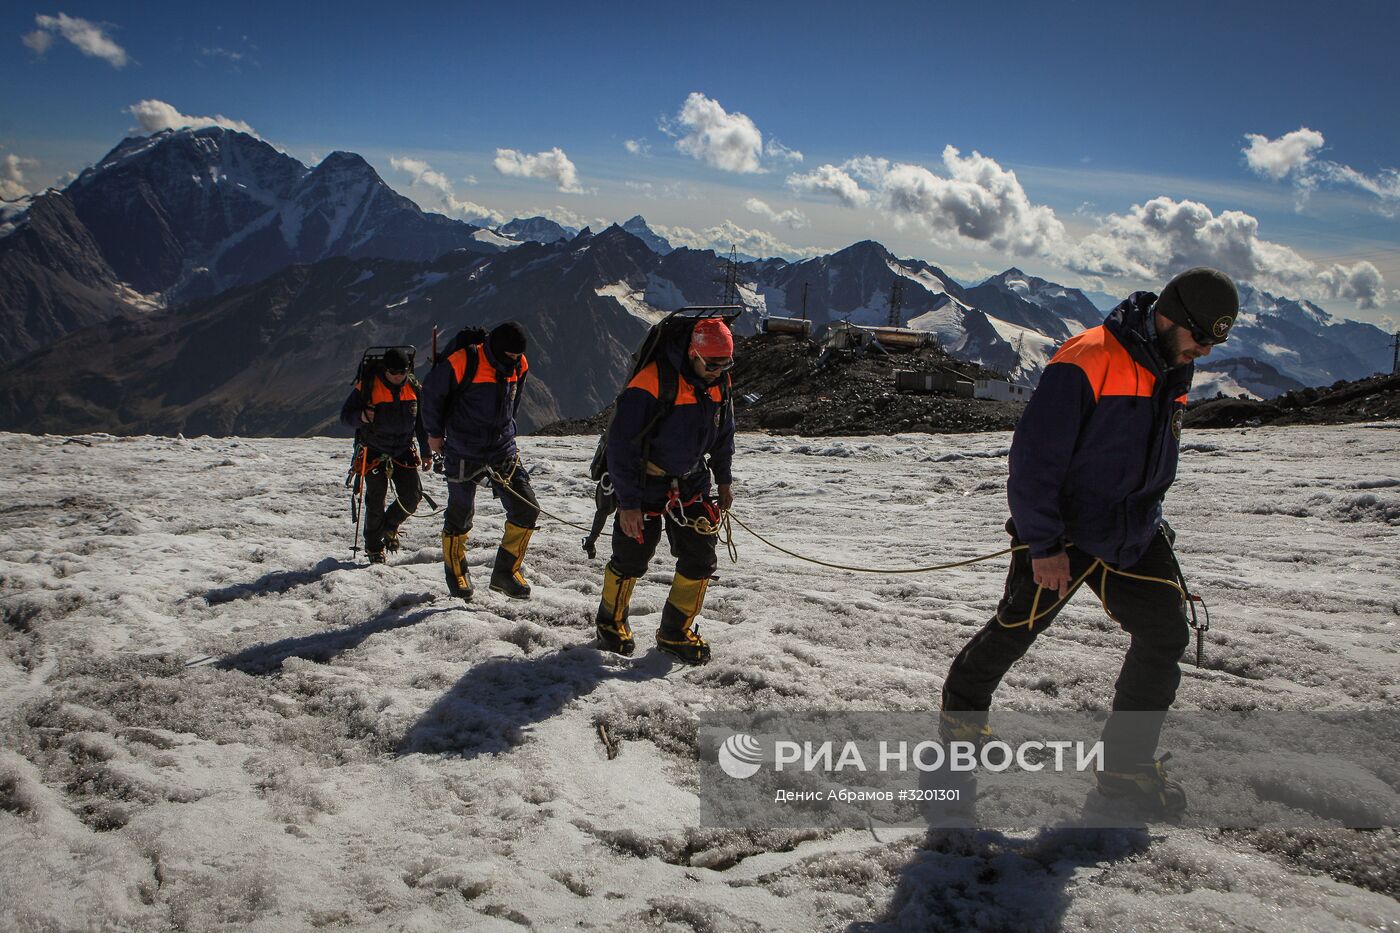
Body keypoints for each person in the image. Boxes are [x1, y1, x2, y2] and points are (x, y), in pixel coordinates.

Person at [939, 267, 1239, 814]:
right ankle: (961, 719)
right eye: (1201, 338)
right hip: (1064, 533)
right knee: (1015, 627)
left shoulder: (1172, 365)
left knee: (1165, 635)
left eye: (1215, 342)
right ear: (1171, 318)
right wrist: (1044, 543)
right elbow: (1034, 459)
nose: (1205, 352)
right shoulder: (1088, 357)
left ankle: (1123, 767)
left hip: (1131, 533)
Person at [593, 317, 736, 665]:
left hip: (691, 482)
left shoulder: (718, 384)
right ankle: (610, 623)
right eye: (712, 363)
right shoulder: (651, 382)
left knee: (701, 559)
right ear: (692, 353)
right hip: (643, 485)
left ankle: (675, 633)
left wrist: (724, 480)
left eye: (725, 364)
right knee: (631, 558)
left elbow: (723, 434)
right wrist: (627, 504)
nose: (718, 371)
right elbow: (621, 446)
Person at [420, 321, 539, 601]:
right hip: (463, 449)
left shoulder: (520, 364)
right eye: (508, 356)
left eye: (516, 357)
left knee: (527, 509)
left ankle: (505, 572)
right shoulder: (464, 361)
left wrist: (508, 430)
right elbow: (431, 396)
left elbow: (514, 399)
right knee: (460, 514)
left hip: (501, 449)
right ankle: (456, 574)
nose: (513, 361)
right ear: (495, 349)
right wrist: (434, 435)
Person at [340, 347, 431, 564]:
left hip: (403, 450)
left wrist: (426, 452)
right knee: (375, 501)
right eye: (395, 373)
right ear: (385, 370)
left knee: (412, 496)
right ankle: (374, 547)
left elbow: (421, 423)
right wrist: (362, 416)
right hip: (374, 451)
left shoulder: (413, 387)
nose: (399, 377)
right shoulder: (368, 387)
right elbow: (345, 416)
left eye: (403, 372)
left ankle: (389, 525)